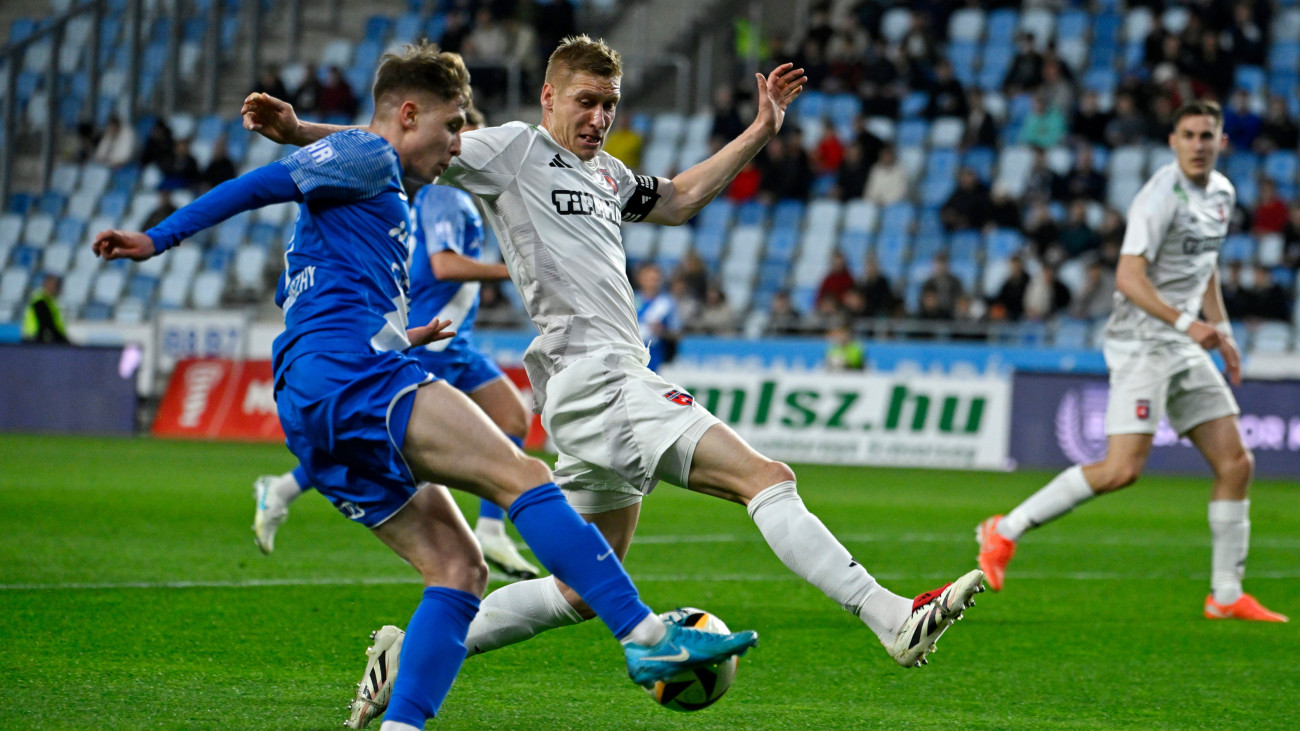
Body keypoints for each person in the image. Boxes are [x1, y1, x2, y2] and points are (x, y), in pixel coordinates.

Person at [244, 34, 984, 699]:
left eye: (610, 104)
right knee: (765, 477)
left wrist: (761, 130)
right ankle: (890, 616)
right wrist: (301, 132)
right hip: (600, 378)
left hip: (595, 386)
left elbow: (682, 197)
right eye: (586, 101)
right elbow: (401, 144)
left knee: (577, 590)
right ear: (549, 97)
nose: (599, 117)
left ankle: (407, 657)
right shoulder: (512, 150)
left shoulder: (607, 176)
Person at [97, 42, 759, 731]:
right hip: (352, 375)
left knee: (458, 569)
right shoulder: (371, 156)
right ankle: (647, 637)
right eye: (451, 126)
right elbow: (259, 185)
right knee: (524, 476)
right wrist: (158, 238)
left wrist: (397, 336)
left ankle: (400, 722)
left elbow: (314, 289)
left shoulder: (379, 188)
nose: (456, 144)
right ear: (409, 115)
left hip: (312, 389)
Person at [976, 100, 1288, 622]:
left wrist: (1224, 332)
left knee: (1237, 463)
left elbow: (1204, 265)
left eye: (1206, 135)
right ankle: (1004, 530)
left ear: (1221, 142)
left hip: (1182, 343)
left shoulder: (1222, 193)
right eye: (1188, 135)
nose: (1197, 145)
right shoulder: (1159, 196)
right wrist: (1188, 323)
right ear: (1172, 141)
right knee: (1121, 470)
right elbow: (1127, 277)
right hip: (1142, 342)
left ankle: (1226, 594)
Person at [251, 108, 541, 580]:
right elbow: (444, 265)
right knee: (392, 443)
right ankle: (283, 490)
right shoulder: (447, 196)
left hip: (454, 341)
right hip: (429, 338)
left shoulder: (456, 198)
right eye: (459, 137)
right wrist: (517, 269)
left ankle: (490, 531)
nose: (463, 150)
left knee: (511, 416)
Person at [632, 261, 680, 371]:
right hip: (631, 352)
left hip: (654, 354)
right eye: (648, 278)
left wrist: (662, 331)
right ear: (640, 279)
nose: (651, 283)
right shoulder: (630, 299)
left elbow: (676, 332)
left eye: (655, 279)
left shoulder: (667, 303)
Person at [22, 274, 69, 344]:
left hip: (40, 339)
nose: (55, 288)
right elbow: (47, 324)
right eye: (54, 285)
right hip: (35, 339)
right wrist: (64, 340)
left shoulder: (51, 301)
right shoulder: (39, 301)